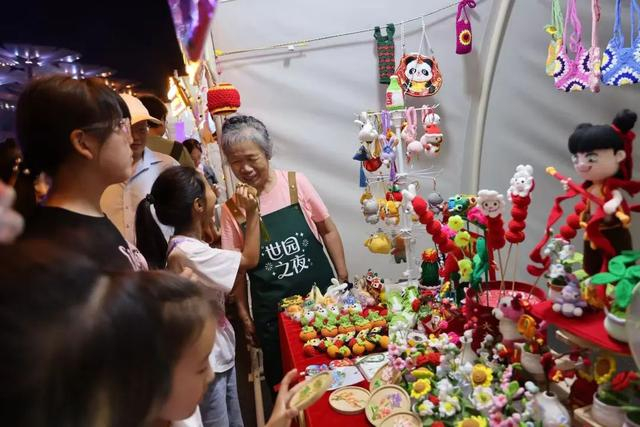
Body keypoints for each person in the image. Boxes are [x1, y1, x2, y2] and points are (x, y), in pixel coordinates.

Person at [0, 241, 304, 427]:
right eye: (201, 366)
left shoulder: (179, 412)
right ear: (146, 379)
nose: (211, 375)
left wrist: (277, 421)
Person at [219, 115, 348, 392]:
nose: (245, 168)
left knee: (337, 375)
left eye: (251, 158)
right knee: (288, 388)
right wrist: (244, 315)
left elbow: (327, 229)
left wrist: (343, 276)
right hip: (274, 317)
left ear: (267, 152)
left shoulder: (295, 183)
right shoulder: (231, 210)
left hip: (322, 303)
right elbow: (236, 270)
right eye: (235, 161)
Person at [136, 166, 260, 427]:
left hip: (217, 353)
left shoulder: (187, 245)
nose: (214, 189)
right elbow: (250, 258)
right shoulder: (190, 253)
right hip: (208, 358)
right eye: (207, 186)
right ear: (198, 205)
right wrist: (252, 212)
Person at [17, 75, 146, 271]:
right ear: (83, 143)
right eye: (122, 126)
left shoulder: (88, 220)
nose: (130, 139)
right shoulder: (59, 250)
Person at [100, 93, 179, 244]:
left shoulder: (167, 167)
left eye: (142, 130)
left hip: (160, 257)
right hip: (113, 256)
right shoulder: (100, 172)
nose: (135, 137)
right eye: (130, 130)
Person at [138, 93, 195, 167]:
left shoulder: (130, 148)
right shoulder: (177, 149)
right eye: (166, 120)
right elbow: (191, 173)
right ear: (162, 120)